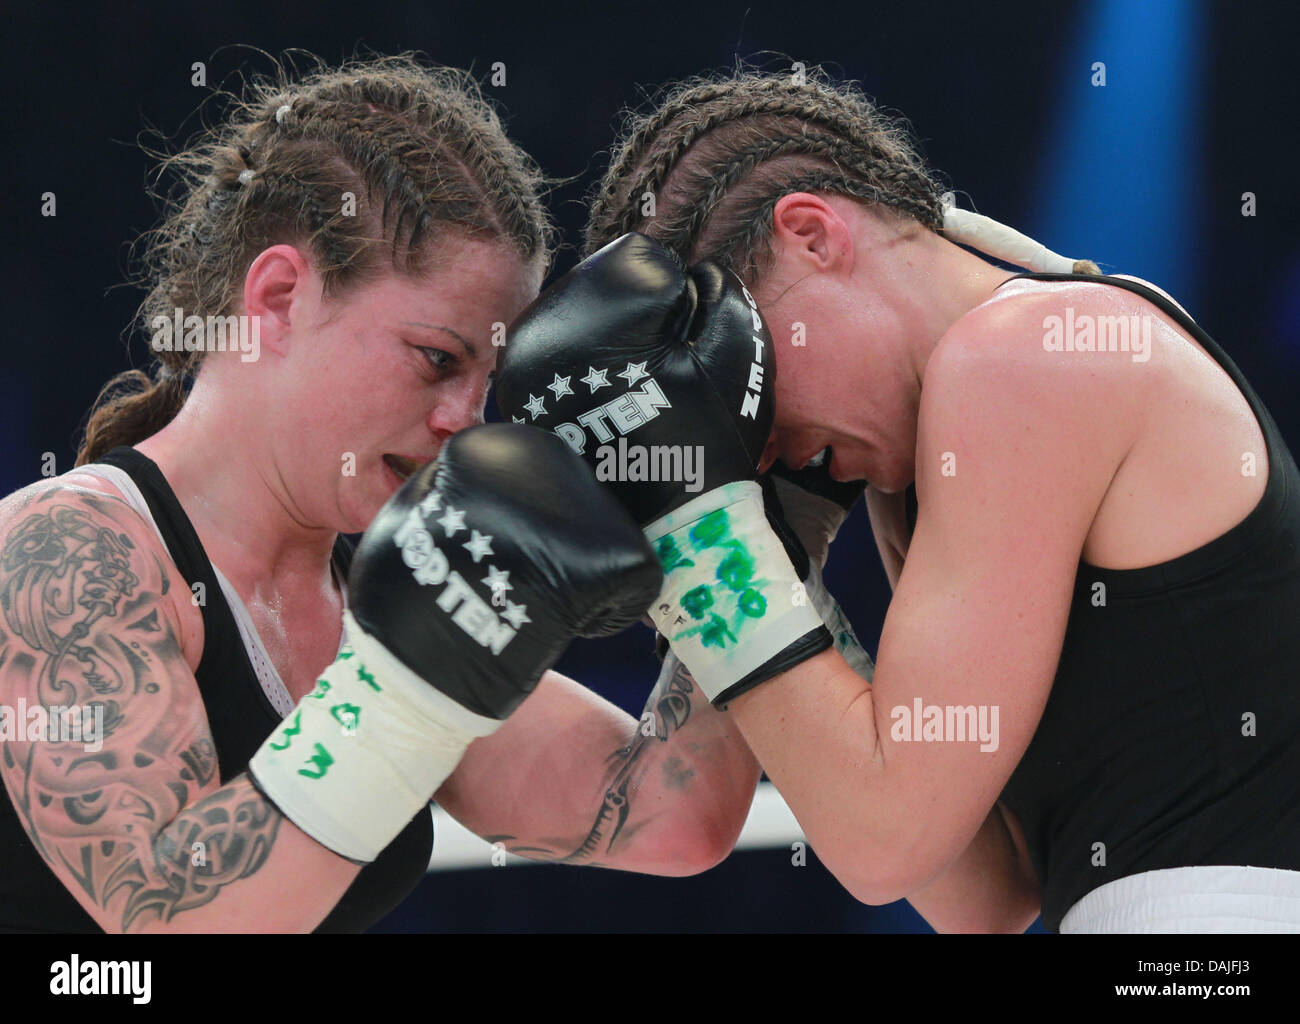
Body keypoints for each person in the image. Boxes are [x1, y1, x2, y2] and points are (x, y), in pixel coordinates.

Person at [497, 67, 1300, 933]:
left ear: (811, 234)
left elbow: (883, 842)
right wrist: (781, 542)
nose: (757, 442)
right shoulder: (919, 473)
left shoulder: (1024, 354)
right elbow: (986, 894)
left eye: (746, 383)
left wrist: (693, 525)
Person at [0, 55, 762, 934]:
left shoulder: (380, 586)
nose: (466, 423)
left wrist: (734, 506)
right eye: (437, 359)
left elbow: (673, 816)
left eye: (489, 381)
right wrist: (403, 695)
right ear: (280, 297)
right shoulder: (66, 553)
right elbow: (167, 920)